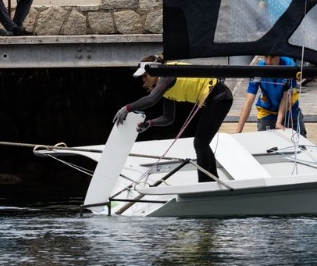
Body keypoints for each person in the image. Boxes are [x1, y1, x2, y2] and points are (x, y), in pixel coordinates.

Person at [113, 54, 234, 183]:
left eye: (145, 76)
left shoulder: (167, 74)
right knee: (202, 143)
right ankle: (212, 180)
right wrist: (150, 123)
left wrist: (126, 108)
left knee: (200, 142)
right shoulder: (165, 88)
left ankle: (206, 183)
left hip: (220, 96)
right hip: (215, 100)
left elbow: (151, 100)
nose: (144, 80)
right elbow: (168, 117)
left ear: (155, 69)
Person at [234, 54, 306, 135]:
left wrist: (278, 122)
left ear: (279, 55)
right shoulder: (258, 70)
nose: (268, 62)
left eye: (272, 57)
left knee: (299, 141)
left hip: (289, 109)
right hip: (267, 111)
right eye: (266, 57)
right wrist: (238, 130)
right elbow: (248, 102)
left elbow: (286, 97)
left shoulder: (290, 66)